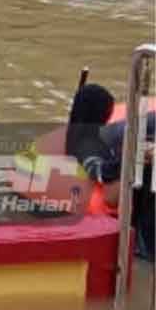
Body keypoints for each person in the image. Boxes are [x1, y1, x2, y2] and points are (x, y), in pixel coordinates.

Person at [65, 84, 155, 260]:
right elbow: (99, 173)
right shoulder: (85, 145)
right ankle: (145, 245)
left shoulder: (92, 137)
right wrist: (134, 158)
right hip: (125, 204)